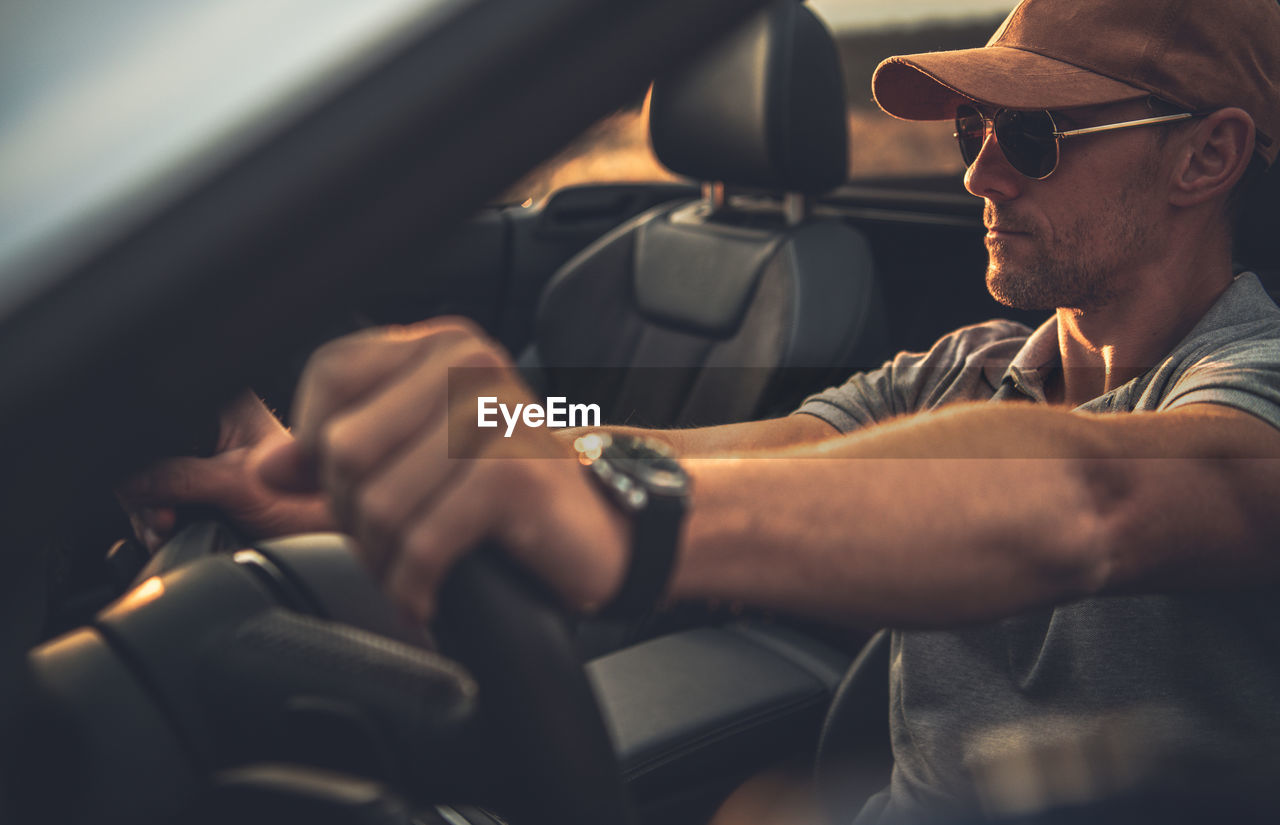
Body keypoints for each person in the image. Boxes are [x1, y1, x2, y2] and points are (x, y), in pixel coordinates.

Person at [121, 0, 1280, 820]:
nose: (979, 175)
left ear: (1205, 157)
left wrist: (635, 521)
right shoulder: (960, 369)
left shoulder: (1254, 386)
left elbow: (1092, 496)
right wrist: (453, 441)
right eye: (972, 131)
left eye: (1031, 136)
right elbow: (680, 452)